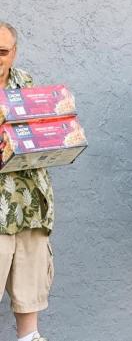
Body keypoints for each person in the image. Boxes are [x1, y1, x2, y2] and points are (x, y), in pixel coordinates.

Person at [0, 21, 55, 341]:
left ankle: (29, 337)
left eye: (3, 51)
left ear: (14, 52)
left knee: (30, 286)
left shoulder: (27, 84)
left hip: (30, 204)